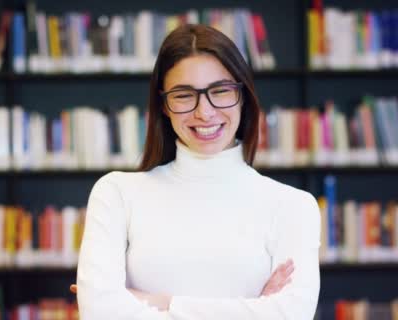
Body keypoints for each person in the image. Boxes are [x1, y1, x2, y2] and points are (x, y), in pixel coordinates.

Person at [75, 24, 321, 319]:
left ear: (243, 95)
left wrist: (160, 302)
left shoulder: (293, 206)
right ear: (163, 105)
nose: (204, 112)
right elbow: (100, 312)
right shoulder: (116, 193)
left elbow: (291, 315)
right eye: (183, 95)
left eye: (220, 91)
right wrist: (252, 307)